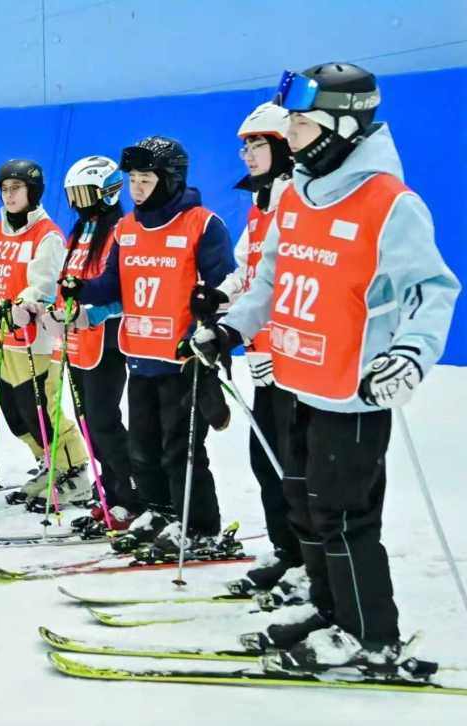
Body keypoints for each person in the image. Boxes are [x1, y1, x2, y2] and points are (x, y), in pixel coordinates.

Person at [192, 62, 460, 670]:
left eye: (300, 124)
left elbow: (432, 290)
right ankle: (327, 607)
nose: (289, 134)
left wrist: (409, 355)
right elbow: (269, 280)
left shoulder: (390, 203)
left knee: (344, 517)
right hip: (298, 381)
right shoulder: (294, 194)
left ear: (341, 127)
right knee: (306, 508)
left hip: (354, 389)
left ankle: (370, 636)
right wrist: (233, 328)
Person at [61, 136, 235, 553]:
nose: (136, 188)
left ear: (170, 179)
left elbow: (229, 287)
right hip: (139, 354)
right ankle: (159, 511)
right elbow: (112, 284)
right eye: (133, 180)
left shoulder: (202, 224)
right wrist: (80, 288)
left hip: (182, 358)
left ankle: (198, 525)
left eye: (145, 180)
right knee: (143, 448)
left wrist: (209, 320)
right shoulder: (126, 228)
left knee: (181, 450)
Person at [0, 159, 90, 511]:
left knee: (40, 409)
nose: (9, 195)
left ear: (33, 192)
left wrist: (19, 305)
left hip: (34, 340)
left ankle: (74, 473)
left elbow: (44, 285)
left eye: (16, 188)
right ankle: (49, 464)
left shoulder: (47, 235)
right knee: (15, 413)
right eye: (5, 189)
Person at [207, 102, 305, 592]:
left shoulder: (296, 201)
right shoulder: (262, 205)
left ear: (284, 148)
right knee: (266, 462)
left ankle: (308, 561)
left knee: (293, 468)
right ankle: (288, 552)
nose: (247, 154)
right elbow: (248, 271)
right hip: (263, 358)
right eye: (244, 146)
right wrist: (217, 297)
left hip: (294, 360)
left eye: (258, 144)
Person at [40, 156, 141, 529]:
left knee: (103, 421)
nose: (79, 203)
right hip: (77, 340)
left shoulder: (119, 231)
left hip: (107, 340)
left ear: (108, 192)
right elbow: (69, 281)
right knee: (87, 423)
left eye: (86, 194)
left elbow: (124, 290)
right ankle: (110, 494)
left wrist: (93, 313)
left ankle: (132, 497)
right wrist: (55, 312)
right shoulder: (81, 232)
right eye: (74, 196)